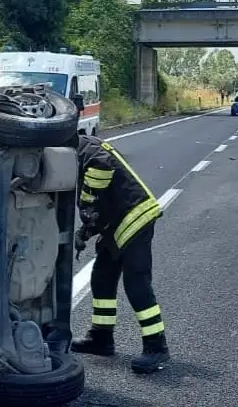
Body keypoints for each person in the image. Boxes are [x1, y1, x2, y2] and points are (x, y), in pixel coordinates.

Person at [72, 134, 171, 374]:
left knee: (136, 282)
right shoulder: (78, 147)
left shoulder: (85, 148)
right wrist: (86, 229)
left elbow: (102, 166)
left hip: (134, 217)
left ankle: (156, 347)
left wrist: (87, 207)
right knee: (102, 277)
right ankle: (101, 337)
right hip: (116, 222)